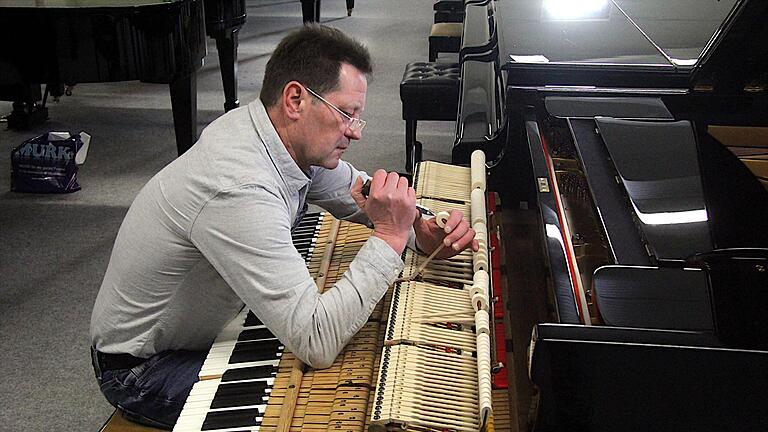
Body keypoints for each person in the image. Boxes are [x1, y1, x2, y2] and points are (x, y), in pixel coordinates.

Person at [89, 24, 477, 429]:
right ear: (295, 100)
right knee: (320, 412)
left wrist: (420, 228)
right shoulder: (238, 184)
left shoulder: (273, 134)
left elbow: (359, 194)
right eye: (347, 114)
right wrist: (392, 236)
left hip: (210, 322)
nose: (355, 132)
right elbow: (317, 341)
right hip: (144, 367)